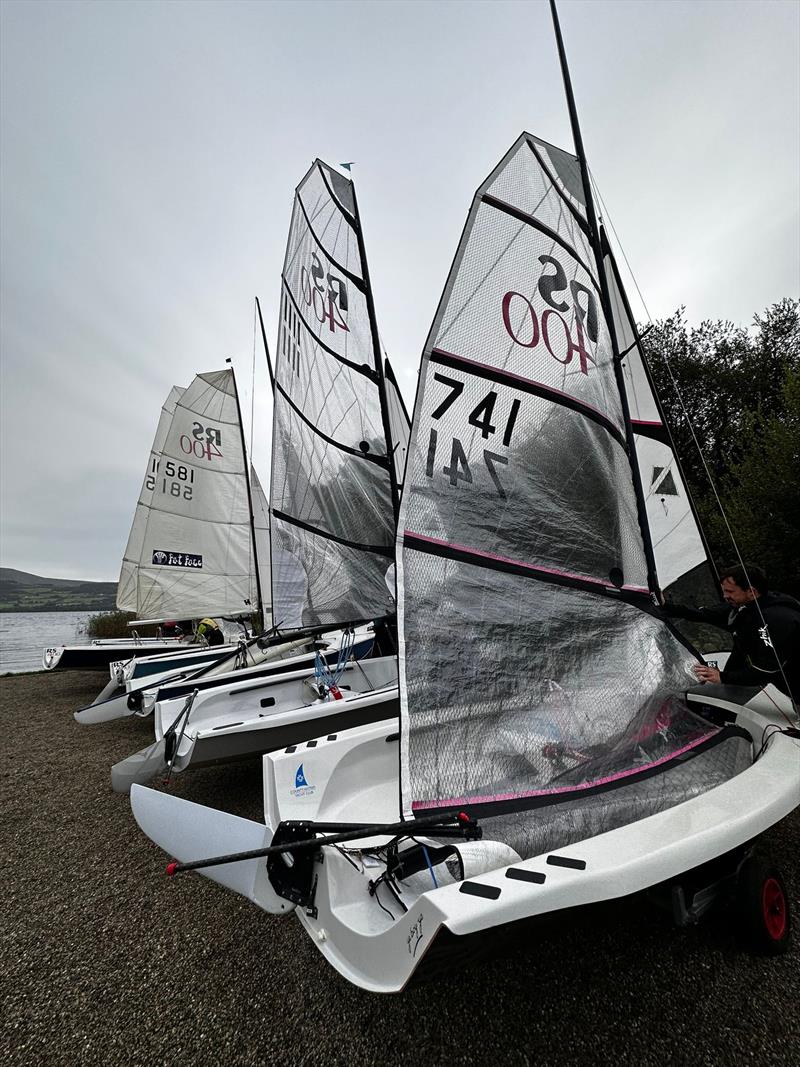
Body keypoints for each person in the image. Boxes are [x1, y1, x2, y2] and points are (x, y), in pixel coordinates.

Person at [663, 564, 800, 701]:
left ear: (751, 592)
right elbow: (703, 614)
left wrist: (722, 677)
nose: (725, 596)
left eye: (730, 591)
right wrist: (665, 605)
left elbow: (767, 670)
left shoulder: (774, 621)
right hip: (751, 659)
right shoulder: (744, 605)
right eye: (724, 591)